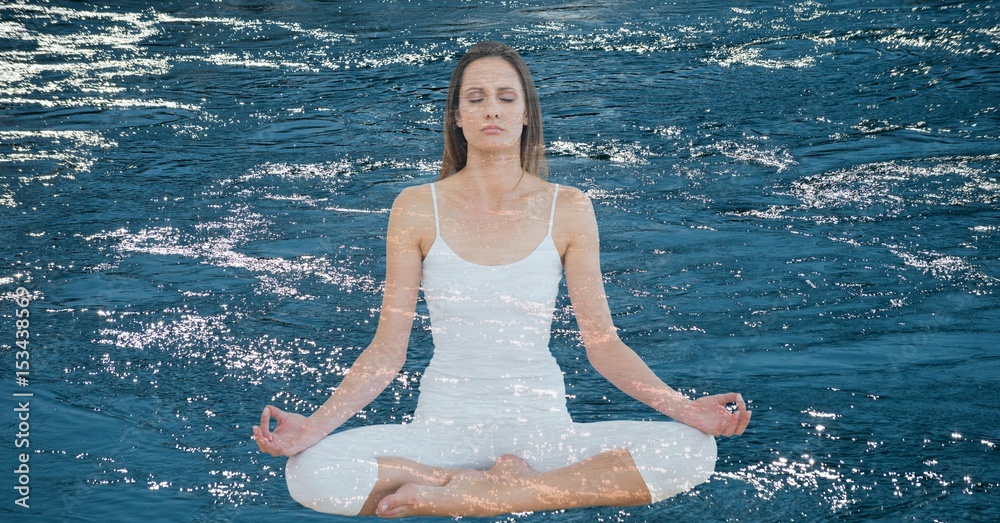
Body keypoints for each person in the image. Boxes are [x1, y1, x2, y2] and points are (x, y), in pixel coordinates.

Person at [253, 41, 751, 518]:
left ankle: (471, 495)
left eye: (505, 98)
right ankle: (481, 488)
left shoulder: (568, 207)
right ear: (457, 116)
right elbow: (388, 352)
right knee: (311, 472)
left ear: (526, 114)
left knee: (692, 451)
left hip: (544, 431)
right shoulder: (415, 208)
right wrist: (312, 429)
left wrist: (687, 411)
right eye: (476, 98)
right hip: (441, 432)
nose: (491, 110)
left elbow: (604, 347)